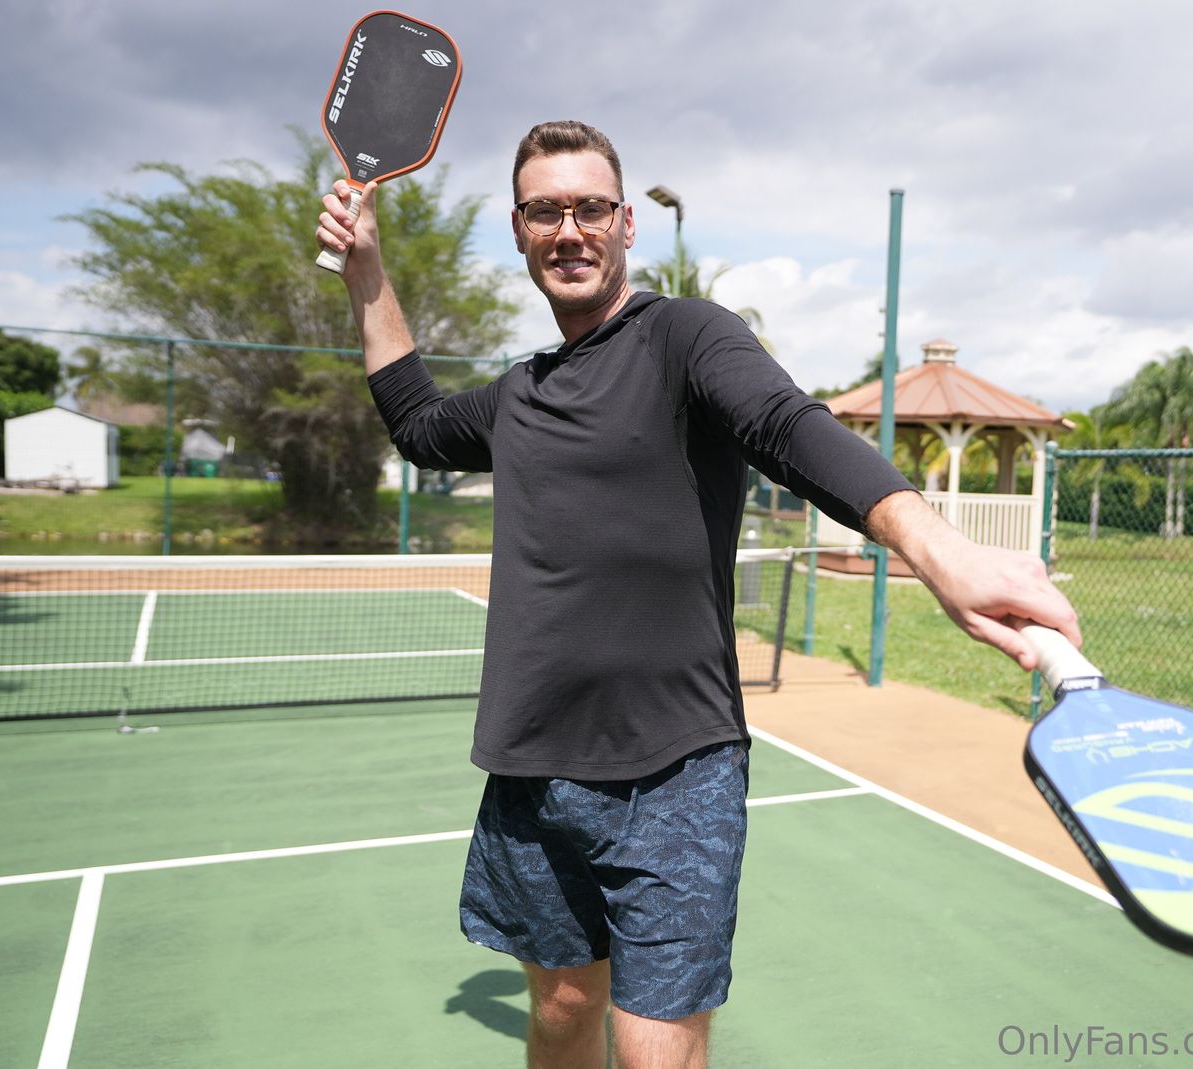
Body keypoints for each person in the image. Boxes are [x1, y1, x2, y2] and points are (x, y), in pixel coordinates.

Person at [317, 120, 1080, 1069]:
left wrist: (939, 550)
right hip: (532, 761)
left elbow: (786, 424)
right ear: (518, 229)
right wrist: (366, 271)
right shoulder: (518, 394)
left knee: (653, 1049)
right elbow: (418, 421)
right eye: (545, 211)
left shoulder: (685, 337)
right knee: (562, 1007)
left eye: (591, 208)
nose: (569, 230)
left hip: (677, 772)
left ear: (626, 222)